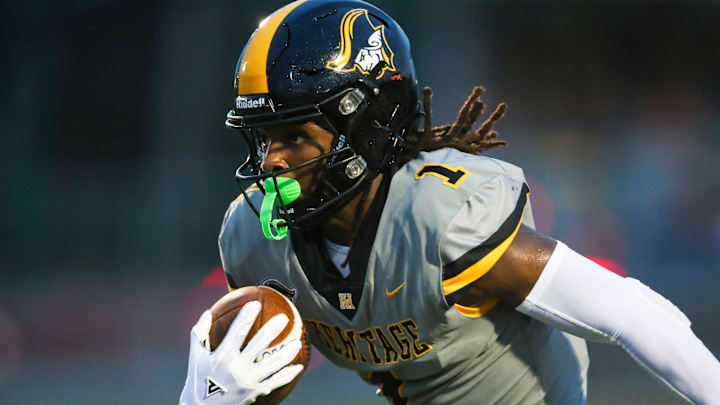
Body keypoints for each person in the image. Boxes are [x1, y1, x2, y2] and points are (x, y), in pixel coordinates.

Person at [179, 0, 720, 404]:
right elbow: (261, 366)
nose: (272, 161)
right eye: (263, 137)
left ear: (370, 122)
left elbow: (631, 315)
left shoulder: (440, 217)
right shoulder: (254, 238)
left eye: (295, 134)